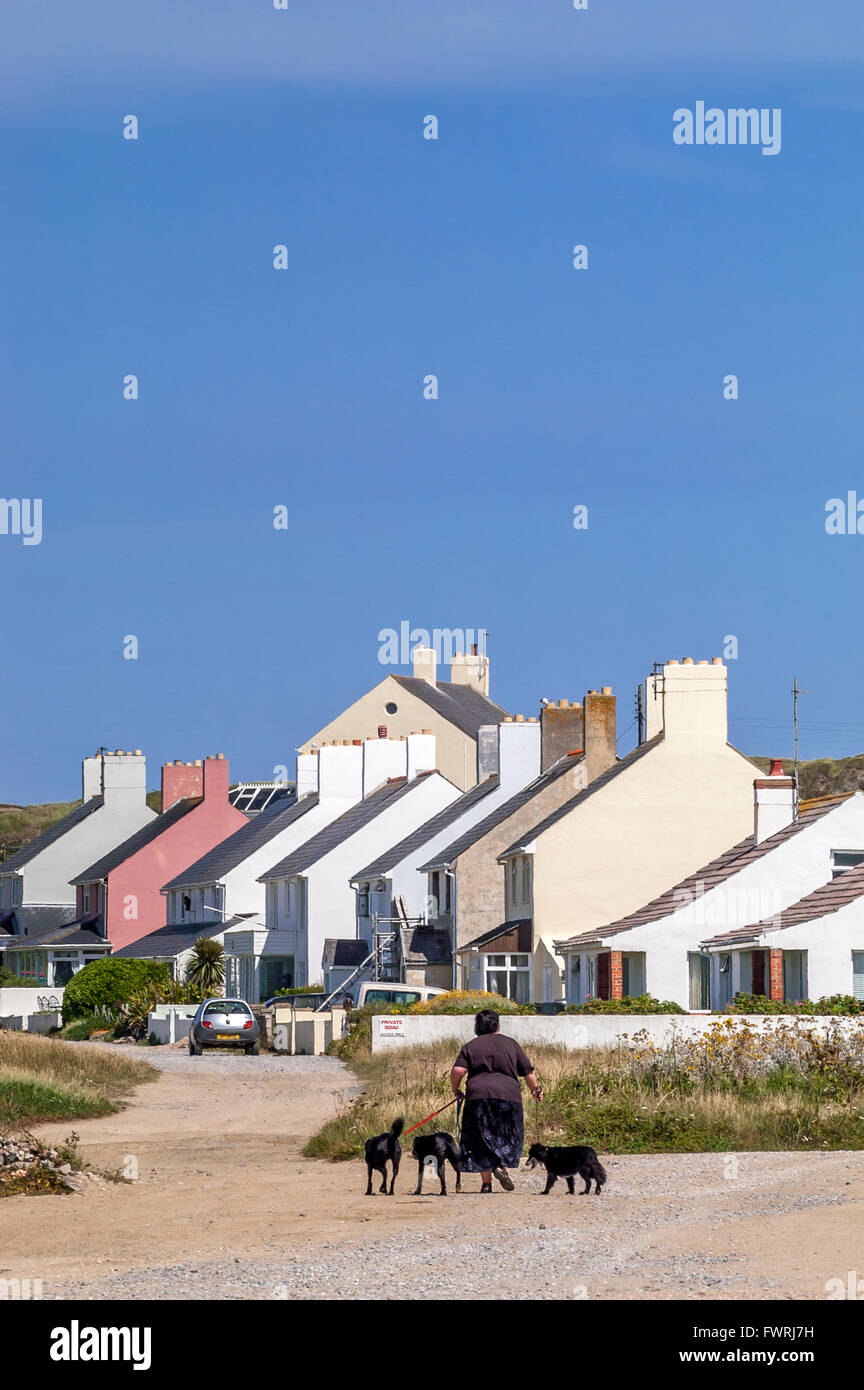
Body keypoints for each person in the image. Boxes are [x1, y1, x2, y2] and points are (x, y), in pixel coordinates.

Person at [450, 1007, 543, 1193]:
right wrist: (535, 1090)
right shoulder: (511, 1044)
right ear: (498, 1026)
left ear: (477, 1027)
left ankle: (486, 1183)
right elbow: (528, 1071)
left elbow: (458, 1071)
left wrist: (456, 1090)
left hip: (478, 1097)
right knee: (506, 1135)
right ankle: (501, 1167)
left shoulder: (470, 1046)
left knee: (479, 1139)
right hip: (508, 1096)